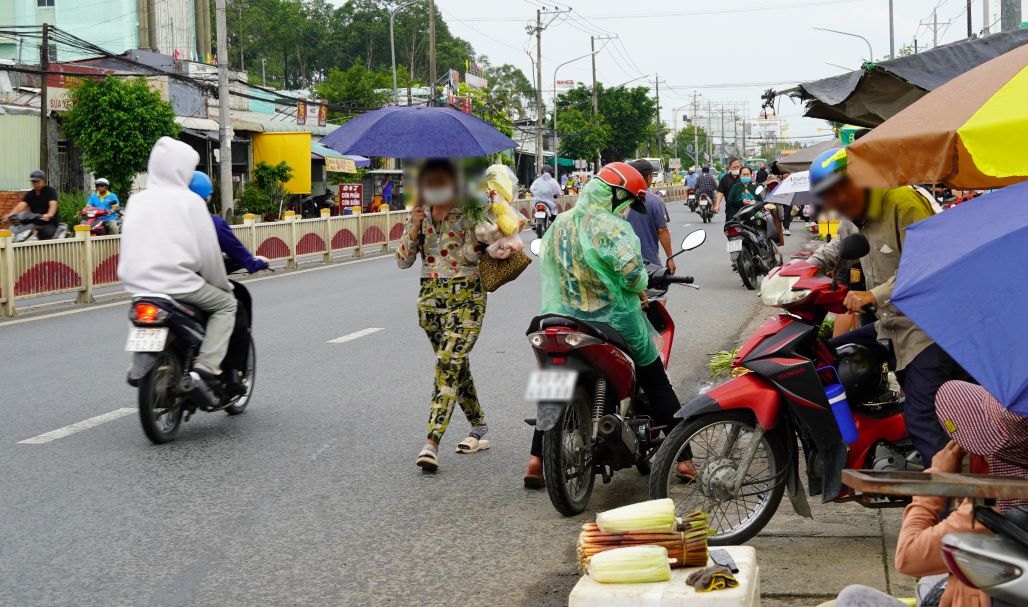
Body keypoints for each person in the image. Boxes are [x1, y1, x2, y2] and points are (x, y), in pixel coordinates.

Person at [523, 162, 687, 487]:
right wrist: (642, 280)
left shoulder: (560, 223)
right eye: (626, 201)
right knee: (656, 379)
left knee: (552, 384)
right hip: (615, 322)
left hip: (565, 319)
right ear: (614, 195)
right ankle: (684, 461)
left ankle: (536, 460)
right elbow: (632, 273)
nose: (627, 208)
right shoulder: (613, 229)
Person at [809, 147, 975, 465]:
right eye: (829, 196)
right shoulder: (852, 218)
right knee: (826, 358)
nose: (837, 201)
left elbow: (928, 262)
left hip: (928, 328)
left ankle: (948, 504)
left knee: (922, 417)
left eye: (842, 189)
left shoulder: (902, 202)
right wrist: (799, 271)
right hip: (891, 325)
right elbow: (837, 248)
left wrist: (873, 295)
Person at [830, 380, 1028, 607]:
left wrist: (935, 480)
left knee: (852, 598)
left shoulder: (986, 513)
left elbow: (907, 558)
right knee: (931, 578)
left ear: (986, 453)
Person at [397, 159, 489, 473]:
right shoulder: (419, 216)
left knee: (447, 364)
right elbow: (403, 261)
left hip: (467, 299)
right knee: (454, 365)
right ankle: (478, 427)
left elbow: (469, 255)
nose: (432, 187)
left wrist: (477, 239)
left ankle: (431, 442)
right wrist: (413, 226)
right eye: (428, 182)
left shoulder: (470, 212)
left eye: (439, 180)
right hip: (430, 303)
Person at [118, 137, 237, 380]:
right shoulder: (190, 201)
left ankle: (139, 361)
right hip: (180, 285)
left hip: (139, 286)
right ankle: (207, 363)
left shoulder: (135, 200)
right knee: (227, 305)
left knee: (139, 312)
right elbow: (209, 254)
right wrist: (222, 285)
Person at [187, 171, 269, 395]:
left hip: (155, 287)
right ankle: (231, 372)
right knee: (234, 307)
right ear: (207, 198)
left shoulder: (164, 221)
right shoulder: (212, 223)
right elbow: (241, 255)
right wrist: (254, 263)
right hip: (192, 285)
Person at [626, 159, 676, 275]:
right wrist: (670, 258)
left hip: (622, 263)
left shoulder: (619, 199)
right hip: (649, 263)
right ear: (648, 177)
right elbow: (663, 231)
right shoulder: (655, 201)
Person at [4, 170, 59, 240]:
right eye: (33, 182)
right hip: (34, 223)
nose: (35, 184)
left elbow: (53, 205)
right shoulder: (30, 194)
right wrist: (10, 215)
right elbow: (20, 206)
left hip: (49, 223)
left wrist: (49, 214)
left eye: (37, 181)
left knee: (43, 232)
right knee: (20, 231)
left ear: (43, 180)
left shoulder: (50, 191)